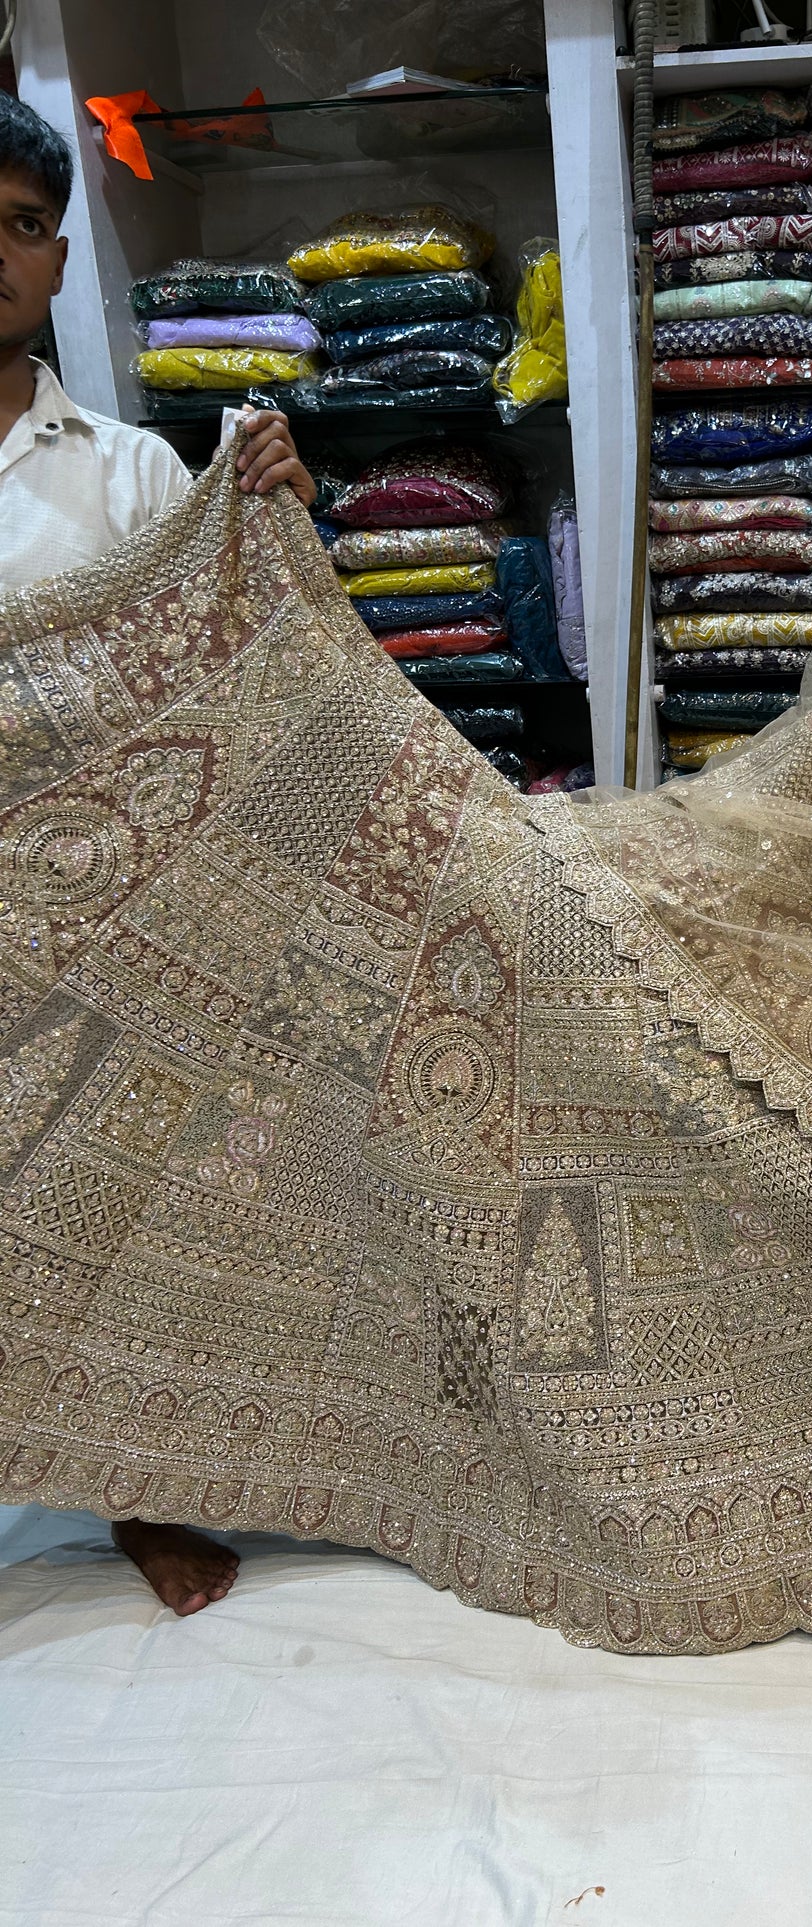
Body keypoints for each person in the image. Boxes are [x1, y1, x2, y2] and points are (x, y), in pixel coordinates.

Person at [0, 91, 317, 1609]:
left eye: (15, 225)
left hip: (92, 919)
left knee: (124, 1198)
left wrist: (271, 534)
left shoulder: (132, 476)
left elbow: (230, 683)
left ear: (58, 258)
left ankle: (140, 1485)